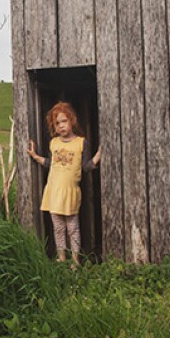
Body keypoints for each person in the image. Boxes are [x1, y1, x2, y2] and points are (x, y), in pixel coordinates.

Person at [27, 101, 101, 266]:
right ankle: (61, 259)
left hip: (70, 192)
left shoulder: (81, 143)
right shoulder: (54, 143)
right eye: (57, 123)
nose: (61, 126)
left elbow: (86, 167)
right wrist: (35, 156)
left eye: (64, 121)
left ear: (72, 120)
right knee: (58, 228)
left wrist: (98, 155)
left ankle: (75, 261)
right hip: (53, 191)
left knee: (72, 228)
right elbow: (50, 163)